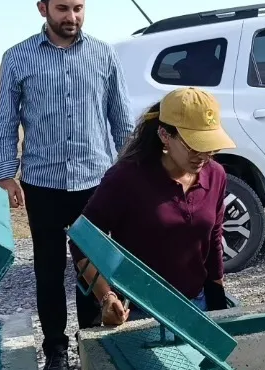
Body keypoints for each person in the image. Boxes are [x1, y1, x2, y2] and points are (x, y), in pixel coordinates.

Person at [0, 0, 131, 370]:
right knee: (49, 272)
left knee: (92, 267)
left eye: (78, 8)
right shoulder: (17, 57)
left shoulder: (104, 55)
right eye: (63, 8)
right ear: (43, 9)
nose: (72, 16)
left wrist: (127, 173)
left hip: (95, 182)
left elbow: (121, 121)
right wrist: (5, 174)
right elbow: (4, 122)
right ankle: (55, 351)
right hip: (43, 183)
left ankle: (92, 345)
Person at [70, 88, 233, 329]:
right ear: (165, 135)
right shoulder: (125, 178)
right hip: (140, 312)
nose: (203, 156)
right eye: (193, 146)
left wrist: (217, 296)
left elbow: (214, 237)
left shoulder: (216, 175)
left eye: (210, 147)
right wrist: (107, 298)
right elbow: (81, 241)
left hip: (197, 305)